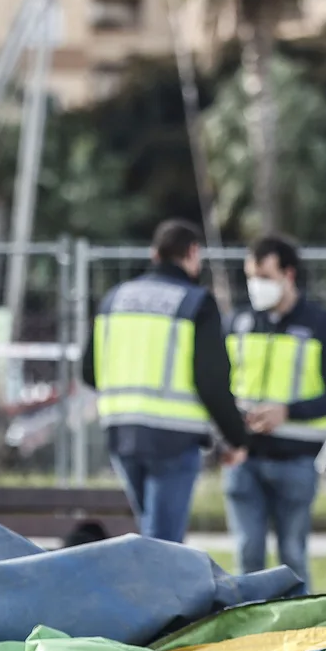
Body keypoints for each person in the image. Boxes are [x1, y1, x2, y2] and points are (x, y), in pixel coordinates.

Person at [81, 220, 251, 543]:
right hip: (173, 437)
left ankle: (147, 591)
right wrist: (237, 438)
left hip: (121, 432)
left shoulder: (115, 299)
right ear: (192, 253)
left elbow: (89, 371)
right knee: (163, 543)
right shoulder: (195, 302)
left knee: (150, 535)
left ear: (154, 254)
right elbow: (211, 380)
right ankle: (156, 594)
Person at [224, 234, 326, 581]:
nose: (256, 286)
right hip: (244, 459)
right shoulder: (238, 324)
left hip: (295, 461)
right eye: (251, 277)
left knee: (293, 559)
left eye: (265, 277)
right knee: (247, 556)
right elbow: (219, 387)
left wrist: (288, 411)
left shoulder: (320, 325)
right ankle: (250, 634)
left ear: (289, 275)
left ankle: (301, 632)